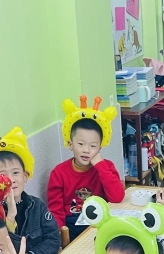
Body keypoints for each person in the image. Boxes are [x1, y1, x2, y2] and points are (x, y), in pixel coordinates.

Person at [47, 95, 125, 240]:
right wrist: (58, 236)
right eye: (81, 144)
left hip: (101, 222)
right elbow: (56, 211)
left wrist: (101, 166)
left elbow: (117, 197)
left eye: (93, 146)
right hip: (72, 225)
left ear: (100, 148)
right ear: (70, 144)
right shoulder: (59, 173)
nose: (86, 150)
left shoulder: (106, 167)